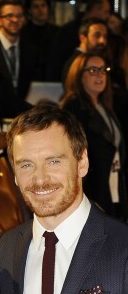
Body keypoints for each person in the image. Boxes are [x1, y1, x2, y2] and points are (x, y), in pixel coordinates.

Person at [0, 102, 128, 293]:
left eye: (53, 161)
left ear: (82, 163)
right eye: (26, 165)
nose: (40, 179)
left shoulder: (123, 247)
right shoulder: (5, 249)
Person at [60, 52, 127, 221]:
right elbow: (72, 155)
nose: (100, 75)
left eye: (103, 70)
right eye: (93, 70)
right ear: (78, 75)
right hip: (93, 189)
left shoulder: (105, 105)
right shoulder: (73, 107)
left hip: (113, 182)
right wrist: (86, 196)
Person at [46, 0, 110, 81]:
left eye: (105, 36)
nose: (107, 16)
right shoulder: (67, 31)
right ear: (83, 37)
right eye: (106, 11)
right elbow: (56, 62)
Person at [0, 0, 34, 100]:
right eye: (9, 16)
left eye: (19, 16)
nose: (15, 20)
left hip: (22, 110)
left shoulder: (30, 49)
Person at [20, 0, 59, 81]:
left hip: (52, 79)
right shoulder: (22, 33)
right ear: (29, 11)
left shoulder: (57, 32)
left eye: (43, 5)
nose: (40, 10)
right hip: (28, 79)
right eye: (36, 7)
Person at [61, 17, 108, 83]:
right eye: (97, 36)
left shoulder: (103, 59)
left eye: (105, 37)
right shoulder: (75, 63)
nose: (102, 41)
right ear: (82, 38)